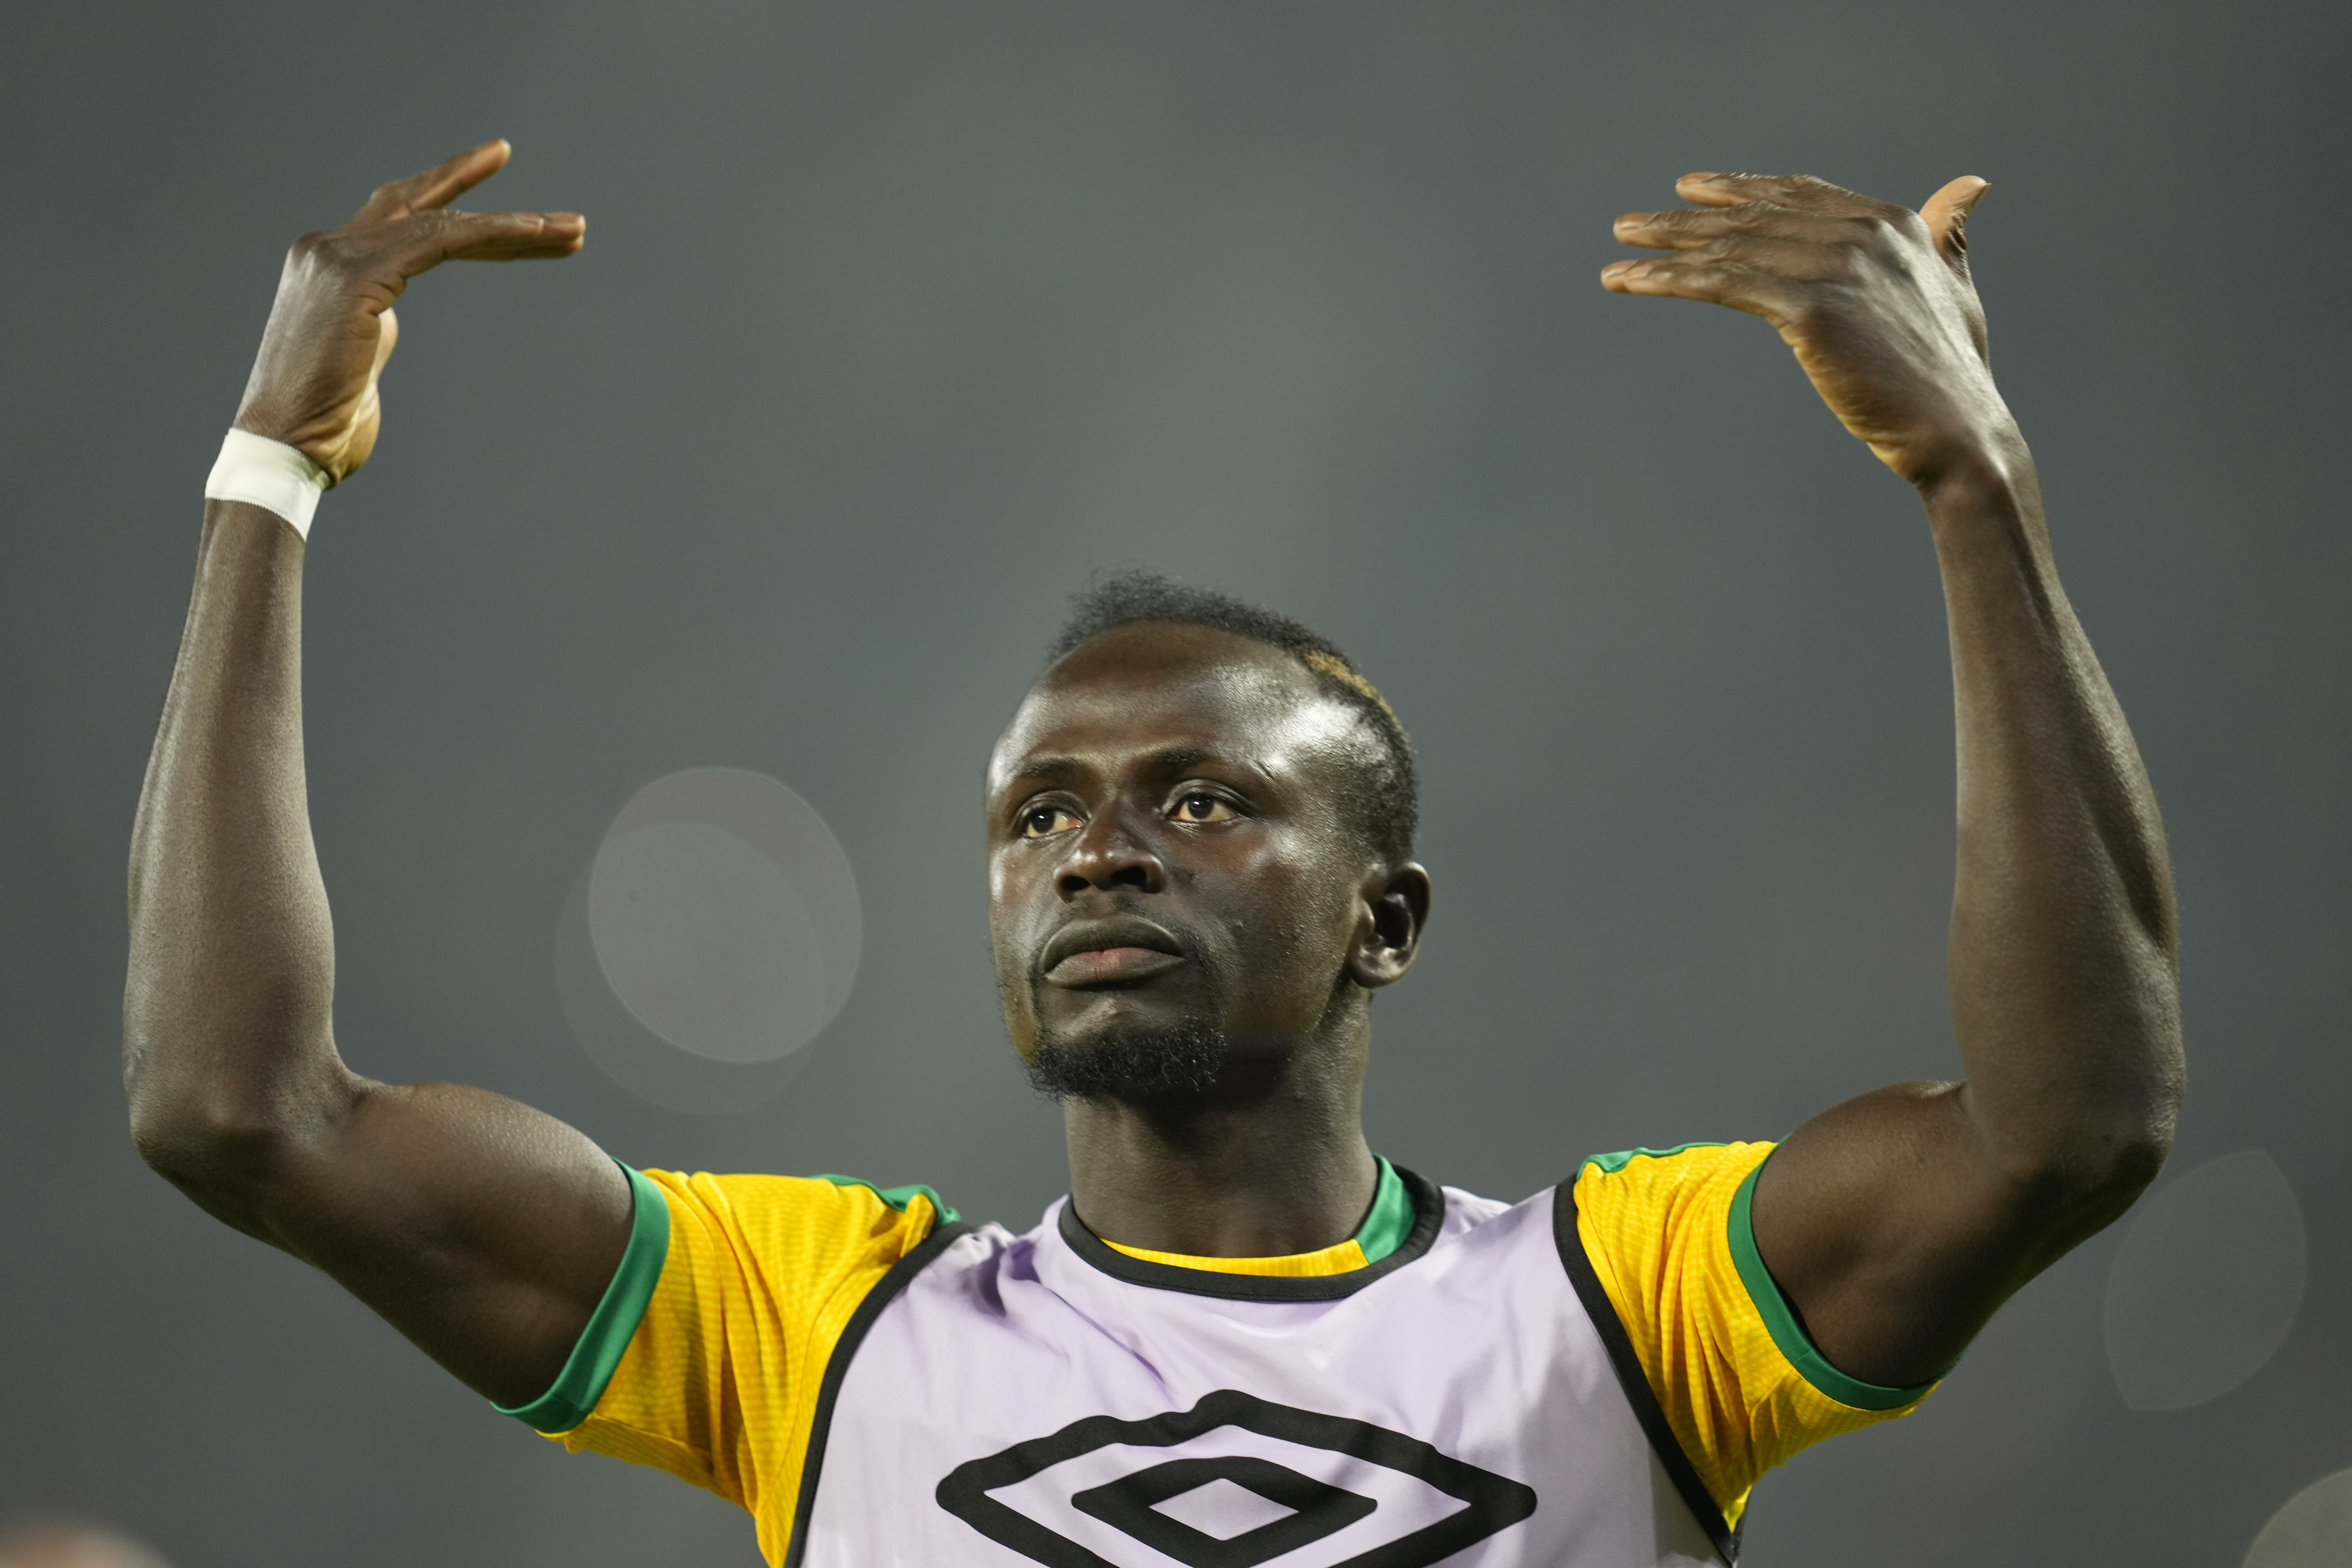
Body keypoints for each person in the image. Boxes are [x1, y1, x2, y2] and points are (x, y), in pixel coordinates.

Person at [125, 141, 2183, 1568]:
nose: (1098, 855)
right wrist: (266, 475)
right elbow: (242, 1109)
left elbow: (2067, 1125)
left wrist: (1971, 476)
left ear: (1389, 916)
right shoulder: (815, 1326)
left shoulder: (1621, 1305)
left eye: (1201, 801)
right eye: (1040, 815)